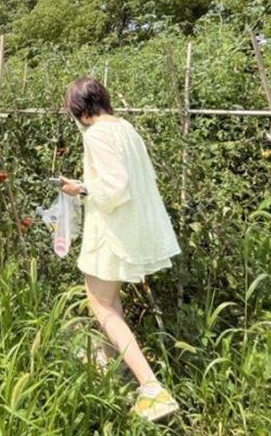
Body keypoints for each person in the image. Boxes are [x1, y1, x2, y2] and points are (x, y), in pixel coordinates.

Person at [59, 77, 182, 423]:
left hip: (114, 231)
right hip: (135, 226)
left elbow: (115, 187)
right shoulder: (125, 128)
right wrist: (86, 185)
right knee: (110, 303)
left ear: (80, 110)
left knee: (100, 304)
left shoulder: (96, 134)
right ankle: (117, 372)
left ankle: (152, 389)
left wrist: (81, 190)